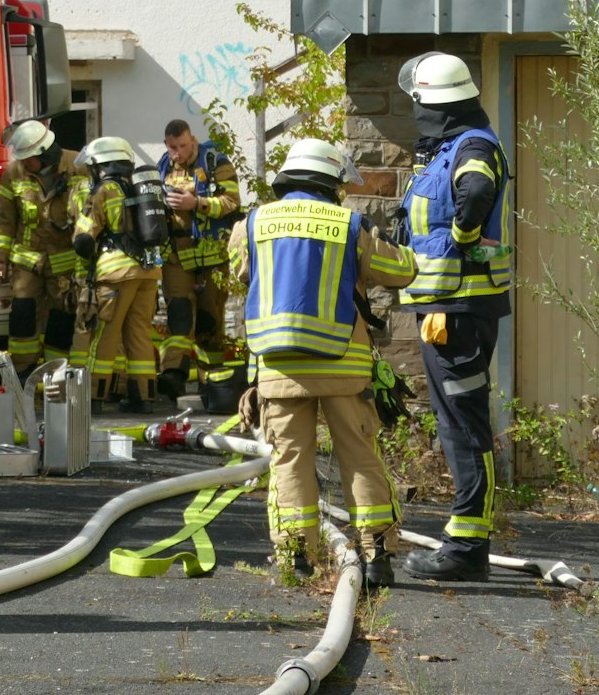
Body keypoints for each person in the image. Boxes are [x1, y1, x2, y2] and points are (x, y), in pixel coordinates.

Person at [230, 139, 416, 590]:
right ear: (333, 182)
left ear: (287, 178)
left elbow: (240, 274)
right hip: (343, 369)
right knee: (360, 457)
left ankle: (296, 558)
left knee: (290, 461)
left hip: (279, 371)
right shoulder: (351, 224)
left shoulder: (252, 224)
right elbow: (402, 271)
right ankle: (377, 559)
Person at [395, 52, 513, 583]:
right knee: (454, 422)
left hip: (460, 311)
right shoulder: (451, 147)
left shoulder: (473, 147)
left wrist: (465, 239)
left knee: (466, 425)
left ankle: (468, 548)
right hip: (446, 308)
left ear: (433, 103)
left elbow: (478, 193)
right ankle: (466, 539)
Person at [70, 136, 165, 414]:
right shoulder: (141, 189)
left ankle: (92, 398)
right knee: (139, 334)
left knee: (105, 334)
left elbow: (84, 236)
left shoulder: (104, 190)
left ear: (101, 164)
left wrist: (83, 245)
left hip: (116, 273)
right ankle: (143, 397)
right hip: (148, 273)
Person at [0, 119, 88, 373]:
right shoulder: (13, 174)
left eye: (28, 158)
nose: (23, 163)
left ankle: (55, 372)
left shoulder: (78, 166)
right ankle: (23, 373)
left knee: (62, 317)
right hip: (27, 261)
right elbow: (4, 218)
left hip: (65, 261)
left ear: (44, 153)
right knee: (22, 315)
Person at [157, 119, 241, 399]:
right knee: (178, 316)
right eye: (172, 147)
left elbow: (232, 202)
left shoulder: (216, 162)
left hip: (212, 258)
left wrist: (198, 204)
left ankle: (212, 384)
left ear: (192, 140)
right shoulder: (163, 166)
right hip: (177, 256)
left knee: (209, 322)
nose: (178, 153)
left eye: (182, 145)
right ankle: (172, 377)